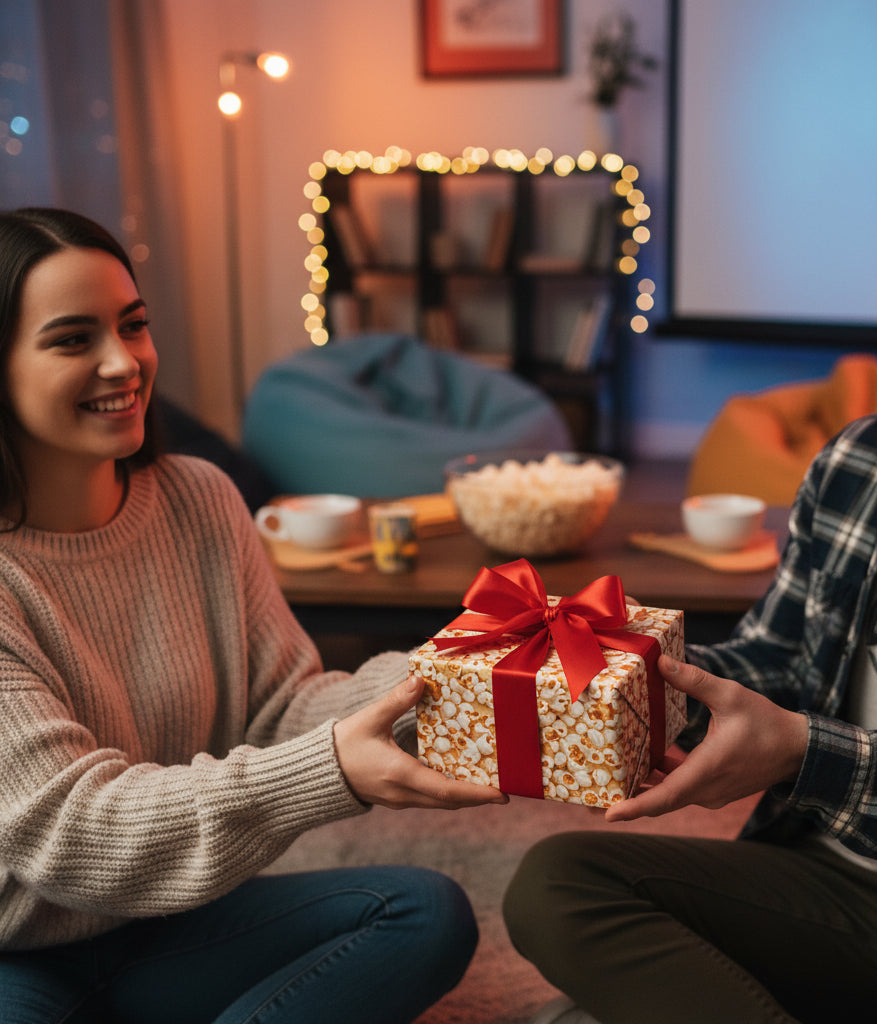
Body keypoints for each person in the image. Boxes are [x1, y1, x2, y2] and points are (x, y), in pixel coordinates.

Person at [504, 116, 877, 1024]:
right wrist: (628, 672)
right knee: (558, 882)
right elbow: (777, 661)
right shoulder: (857, 460)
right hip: (823, 883)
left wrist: (802, 752)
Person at [0, 206, 507, 1024]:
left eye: (133, 326)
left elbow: (281, 710)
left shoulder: (200, 498)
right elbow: (71, 830)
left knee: (423, 913)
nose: (122, 362)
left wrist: (448, 674)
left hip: (169, 926)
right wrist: (331, 771)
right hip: (12, 953)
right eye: (71, 339)